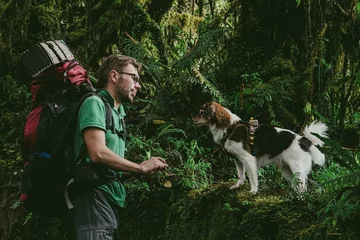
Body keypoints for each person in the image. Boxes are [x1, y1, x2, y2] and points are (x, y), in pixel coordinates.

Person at [70, 54, 168, 240]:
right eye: (134, 78)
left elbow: (109, 166)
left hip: (109, 199)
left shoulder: (117, 115)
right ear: (114, 76)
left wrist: (141, 169)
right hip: (93, 196)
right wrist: (140, 168)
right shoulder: (94, 103)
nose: (138, 85)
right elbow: (97, 153)